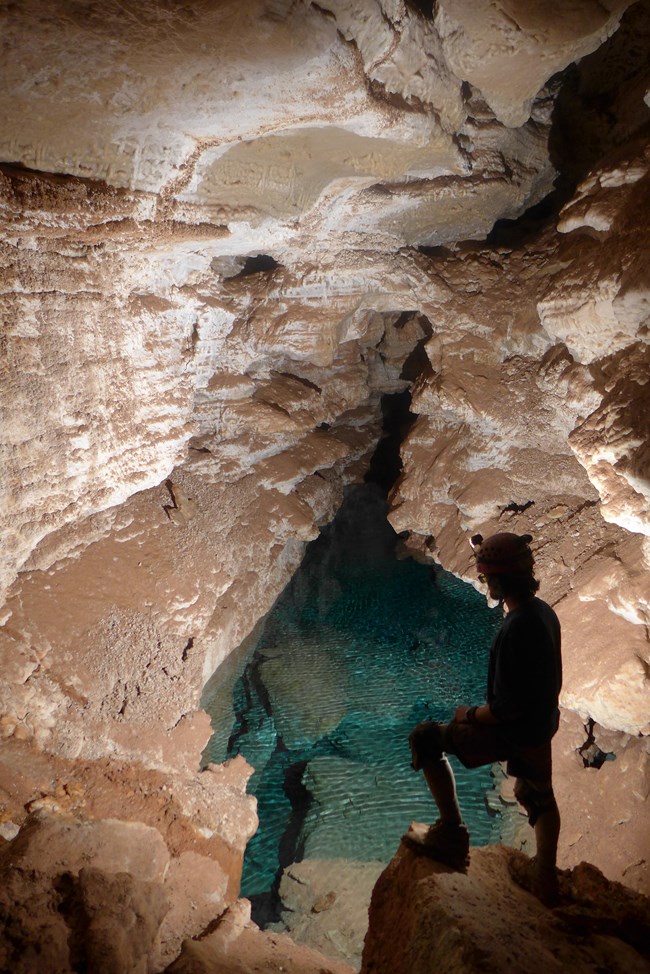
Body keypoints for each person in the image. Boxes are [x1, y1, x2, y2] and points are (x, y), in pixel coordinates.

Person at [404, 531, 563, 905]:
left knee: (426, 738)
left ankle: (451, 833)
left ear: (500, 580)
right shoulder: (543, 612)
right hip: (540, 724)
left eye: (487, 578)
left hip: (515, 729)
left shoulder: (517, 628)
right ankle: (546, 878)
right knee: (539, 797)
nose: (486, 584)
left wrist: (470, 714)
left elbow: (507, 708)